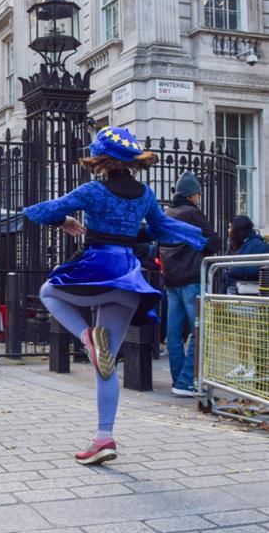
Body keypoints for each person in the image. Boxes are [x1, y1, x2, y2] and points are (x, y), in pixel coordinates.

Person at [24, 127, 207, 466]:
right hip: (127, 277)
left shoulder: (93, 190)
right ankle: (103, 437)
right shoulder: (146, 194)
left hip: (96, 267)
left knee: (49, 291)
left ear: (100, 159)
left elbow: (39, 212)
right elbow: (158, 230)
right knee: (104, 364)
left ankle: (86, 337)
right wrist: (134, 228)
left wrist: (65, 220)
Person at [159, 171, 220, 397]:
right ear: (191, 195)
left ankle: (178, 380)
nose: (199, 198)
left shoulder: (167, 213)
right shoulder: (193, 213)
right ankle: (186, 381)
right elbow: (214, 243)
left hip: (171, 280)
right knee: (200, 330)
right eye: (198, 194)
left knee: (174, 333)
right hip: (191, 278)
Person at [222, 215, 269, 380]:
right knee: (241, 332)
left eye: (231, 227)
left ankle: (255, 366)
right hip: (237, 292)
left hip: (250, 294)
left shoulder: (258, 245)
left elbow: (258, 269)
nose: (228, 230)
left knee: (252, 332)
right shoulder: (237, 244)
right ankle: (242, 364)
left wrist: (234, 270)